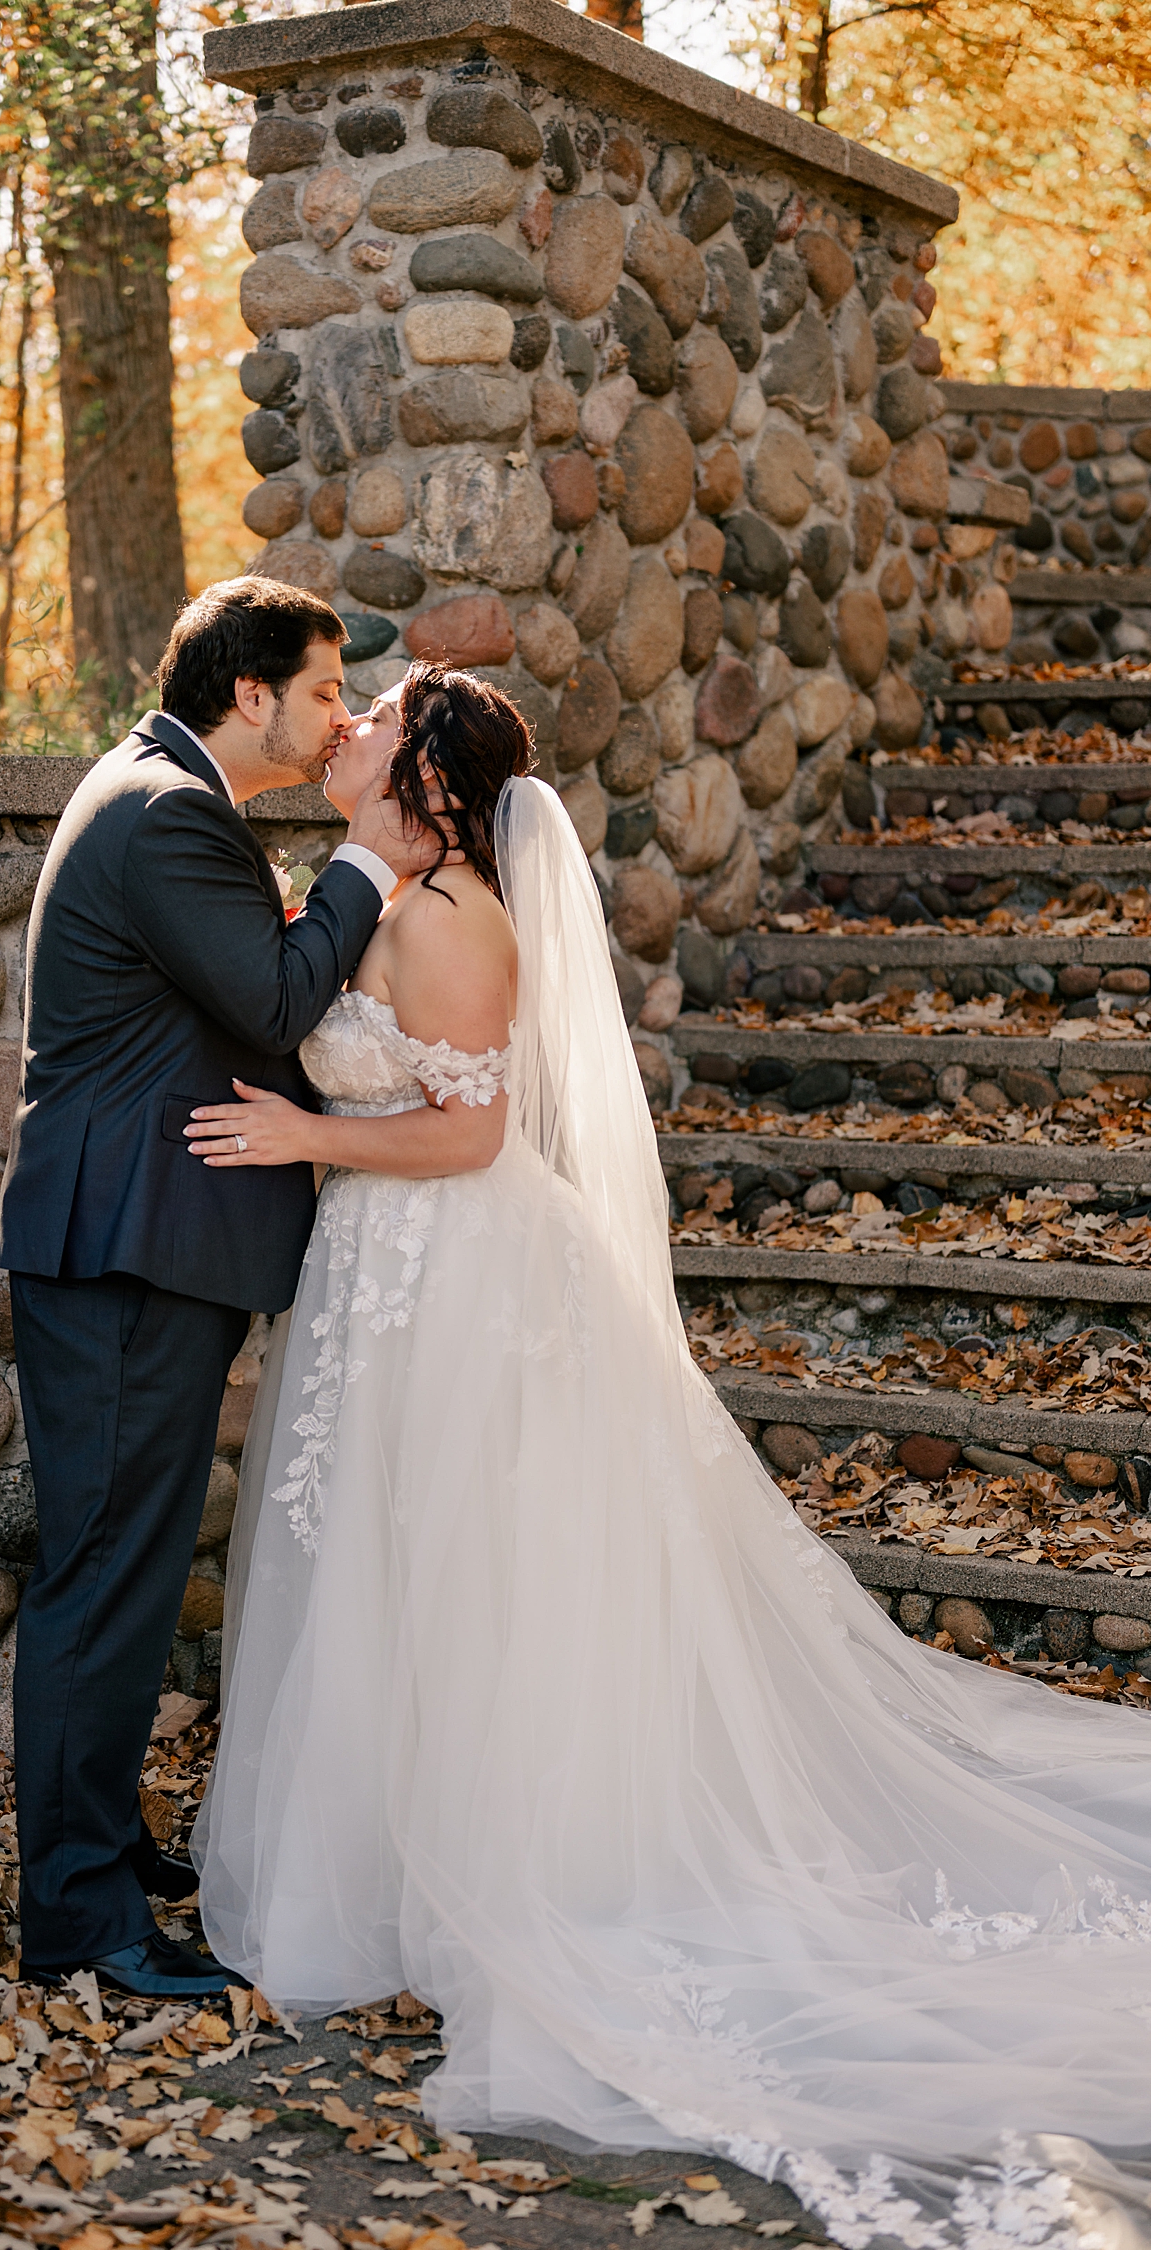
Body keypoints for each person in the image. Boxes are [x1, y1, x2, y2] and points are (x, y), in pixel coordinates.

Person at [191, 661, 1151, 2249]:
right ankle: (394, 1872)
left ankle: (508, 1875)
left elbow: (470, 1135)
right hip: (389, 1281)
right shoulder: (373, 892)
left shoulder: (453, 923)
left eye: (370, 717)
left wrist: (305, 1138)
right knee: (398, 1573)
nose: (343, 721)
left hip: (467, 1281)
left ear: (429, 783)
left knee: (487, 1578)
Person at [0, 579, 452, 1998]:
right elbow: (269, 999)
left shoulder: (161, 793)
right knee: (105, 1577)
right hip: (131, 1245)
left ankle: (101, 1848)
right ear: (248, 695)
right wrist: (371, 863)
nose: (332, 720)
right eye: (322, 690)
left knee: (120, 1570)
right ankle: (80, 1917)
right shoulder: (166, 811)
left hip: (138, 1240)